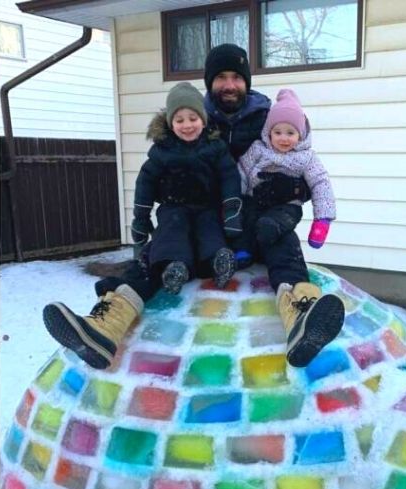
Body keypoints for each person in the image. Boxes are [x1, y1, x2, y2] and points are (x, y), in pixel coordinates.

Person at [43, 44, 344, 370]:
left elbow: (304, 164)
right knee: (157, 254)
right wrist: (167, 192)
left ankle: (301, 312)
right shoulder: (192, 118)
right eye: (221, 78)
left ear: (246, 81)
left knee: (283, 243)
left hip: (253, 220)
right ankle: (106, 325)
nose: (229, 84)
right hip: (201, 220)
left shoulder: (267, 118)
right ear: (208, 83)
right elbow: (154, 172)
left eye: (236, 77)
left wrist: (293, 189)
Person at [131, 81, 242, 295]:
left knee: (210, 233)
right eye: (179, 120)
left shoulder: (215, 147)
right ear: (171, 123)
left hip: (206, 206)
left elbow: (229, 176)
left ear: (203, 119)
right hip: (173, 207)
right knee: (171, 233)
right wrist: (141, 218)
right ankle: (173, 267)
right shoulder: (162, 150)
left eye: (193, 118)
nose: (187, 125)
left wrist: (231, 211)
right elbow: (145, 181)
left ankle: (219, 261)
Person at [236, 88, 336, 252]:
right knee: (247, 221)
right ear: (269, 133)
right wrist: (238, 200)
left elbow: (320, 182)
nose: (283, 138)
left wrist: (322, 219)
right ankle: (243, 252)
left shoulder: (306, 157)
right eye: (278, 132)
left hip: (287, 207)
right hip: (255, 201)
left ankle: (269, 230)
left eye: (290, 132)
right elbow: (242, 171)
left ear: (301, 134)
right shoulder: (258, 149)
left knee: (271, 225)